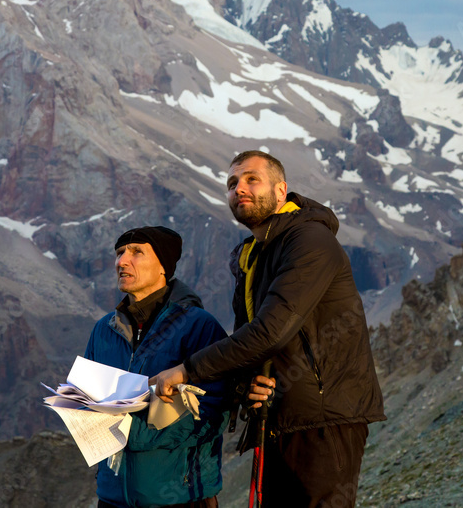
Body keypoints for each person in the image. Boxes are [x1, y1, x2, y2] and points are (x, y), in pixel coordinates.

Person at [153, 151, 385, 507]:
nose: (239, 189)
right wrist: (249, 385)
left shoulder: (310, 240)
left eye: (251, 179)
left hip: (324, 419)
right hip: (278, 416)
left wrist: (187, 370)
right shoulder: (252, 256)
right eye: (232, 184)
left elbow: (269, 332)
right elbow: (254, 343)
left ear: (281, 191)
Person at [84, 226, 228, 508]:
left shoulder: (199, 326)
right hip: (112, 499)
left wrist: (133, 434)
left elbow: (214, 411)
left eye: (137, 252)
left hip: (181, 498)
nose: (122, 261)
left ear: (163, 266)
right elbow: (85, 405)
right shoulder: (103, 330)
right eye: (119, 253)